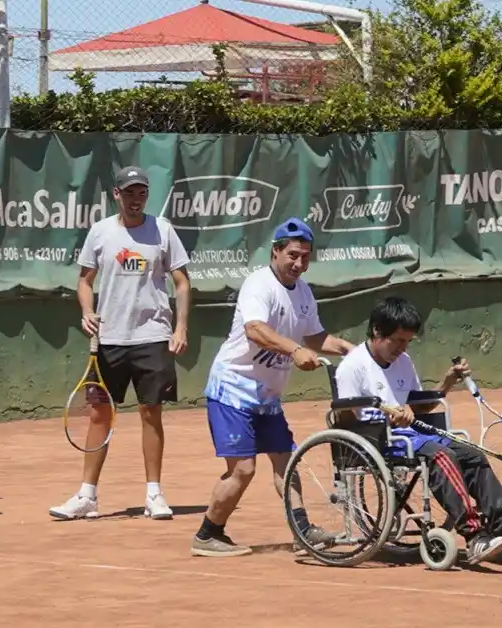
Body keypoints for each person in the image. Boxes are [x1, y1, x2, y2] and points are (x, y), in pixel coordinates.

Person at [333, 295, 502, 566]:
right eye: (398, 341)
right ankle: (475, 536)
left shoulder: (403, 361)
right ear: (377, 331)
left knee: (472, 455)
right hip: (376, 441)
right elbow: (345, 416)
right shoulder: (352, 366)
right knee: (441, 455)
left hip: (411, 436)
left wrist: (447, 382)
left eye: (408, 342)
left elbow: (420, 405)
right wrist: (387, 415)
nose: (403, 348)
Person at [191, 218, 354, 557]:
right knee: (243, 470)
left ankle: (302, 531)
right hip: (233, 389)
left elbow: (315, 337)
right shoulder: (259, 284)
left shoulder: (304, 292)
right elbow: (255, 329)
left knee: (287, 463)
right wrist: (294, 350)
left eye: (306, 257)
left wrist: (349, 350)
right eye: (293, 255)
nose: (299, 263)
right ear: (276, 251)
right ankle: (208, 534)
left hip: (267, 398)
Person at [50, 166, 191, 522]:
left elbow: (182, 282)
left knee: (151, 413)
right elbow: (84, 281)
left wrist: (180, 328)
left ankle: (154, 495)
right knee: (100, 414)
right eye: (129, 192)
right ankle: (87, 495)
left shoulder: (163, 230)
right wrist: (87, 310)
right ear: (116, 194)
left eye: (141, 192)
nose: (135, 198)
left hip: (153, 336)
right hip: (109, 340)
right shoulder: (100, 232)